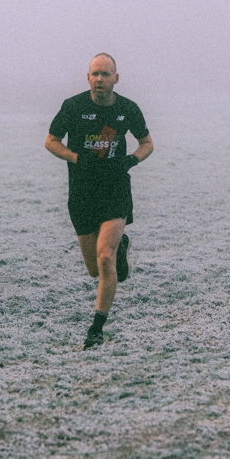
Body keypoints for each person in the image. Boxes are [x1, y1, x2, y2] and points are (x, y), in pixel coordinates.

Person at [45, 53, 154, 350]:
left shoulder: (128, 109)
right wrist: (76, 158)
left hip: (115, 189)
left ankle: (96, 328)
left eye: (105, 74)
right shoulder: (73, 107)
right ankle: (122, 248)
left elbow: (147, 143)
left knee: (105, 257)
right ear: (88, 78)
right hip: (82, 193)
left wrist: (130, 160)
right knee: (94, 269)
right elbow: (51, 141)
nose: (99, 79)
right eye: (95, 74)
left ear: (116, 78)